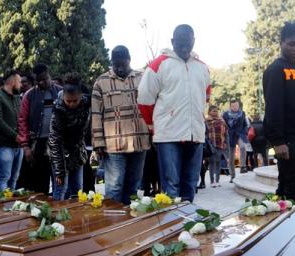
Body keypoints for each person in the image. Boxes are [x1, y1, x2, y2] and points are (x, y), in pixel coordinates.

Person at [137, 24, 211, 202]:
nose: (184, 47)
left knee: (190, 184)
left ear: (193, 41)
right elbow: (144, 99)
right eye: (180, 43)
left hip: (195, 135)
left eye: (188, 43)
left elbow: (205, 97)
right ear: (172, 42)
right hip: (168, 135)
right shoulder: (158, 65)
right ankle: (173, 227)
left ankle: (187, 225)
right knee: (171, 185)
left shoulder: (202, 67)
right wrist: (153, 125)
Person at [92, 45, 150, 205]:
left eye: (123, 64)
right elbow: (96, 115)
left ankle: (128, 224)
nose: (119, 68)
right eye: (116, 65)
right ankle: (112, 224)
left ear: (129, 60)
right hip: (113, 145)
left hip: (140, 143)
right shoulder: (101, 82)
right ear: (112, 62)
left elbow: (152, 107)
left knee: (133, 186)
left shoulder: (142, 78)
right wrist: (98, 143)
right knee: (114, 188)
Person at [263, 21, 295, 203]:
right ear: (281, 42)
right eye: (291, 44)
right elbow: (273, 107)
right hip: (287, 140)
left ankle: (280, 223)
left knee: (286, 186)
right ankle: (291, 225)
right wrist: (278, 141)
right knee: (294, 186)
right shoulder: (275, 69)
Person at [17, 63, 61, 194]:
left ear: (49, 74)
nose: (42, 82)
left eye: (44, 79)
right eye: (38, 80)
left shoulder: (60, 92)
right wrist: (25, 146)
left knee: (59, 181)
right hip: (37, 144)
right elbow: (22, 120)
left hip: (57, 143)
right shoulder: (29, 95)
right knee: (39, 183)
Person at [49, 73, 90, 200]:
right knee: (61, 187)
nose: (72, 104)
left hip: (77, 152)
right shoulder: (58, 111)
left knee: (78, 190)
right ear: (63, 97)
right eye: (68, 101)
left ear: (81, 96)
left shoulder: (87, 103)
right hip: (60, 152)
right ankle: (56, 217)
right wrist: (59, 171)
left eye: (75, 101)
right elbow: (55, 142)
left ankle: (77, 218)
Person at [0, 69, 24, 192]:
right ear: (13, 82)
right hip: (4, 146)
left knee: (14, 178)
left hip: (18, 146)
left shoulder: (17, 98)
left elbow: (21, 119)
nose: (21, 84)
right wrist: (15, 136)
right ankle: (2, 208)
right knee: (4, 178)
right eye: (19, 81)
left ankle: (11, 208)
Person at [223, 99, 249, 181]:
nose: (235, 107)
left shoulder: (242, 113)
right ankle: (232, 175)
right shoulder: (225, 114)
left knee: (243, 147)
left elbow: (245, 124)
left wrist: (244, 132)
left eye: (236, 106)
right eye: (233, 106)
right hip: (230, 135)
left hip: (240, 134)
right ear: (230, 106)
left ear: (239, 106)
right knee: (231, 157)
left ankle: (243, 166)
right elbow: (223, 125)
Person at [206, 106, 228, 188]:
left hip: (220, 144)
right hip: (211, 144)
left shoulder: (222, 121)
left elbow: (226, 133)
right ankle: (212, 181)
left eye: (216, 111)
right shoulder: (207, 121)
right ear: (209, 112)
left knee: (218, 162)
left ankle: (217, 180)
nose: (215, 112)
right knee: (212, 162)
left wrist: (226, 142)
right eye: (213, 111)